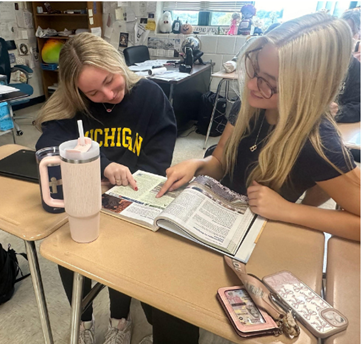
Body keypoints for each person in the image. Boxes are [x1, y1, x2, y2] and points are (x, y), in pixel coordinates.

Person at [145, 12, 361, 344]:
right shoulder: (250, 104)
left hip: (259, 244)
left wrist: (286, 210)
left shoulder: (317, 143)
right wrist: (199, 164)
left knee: (183, 298)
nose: (250, 85)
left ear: (305, 87)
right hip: (220, 223)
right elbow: (221, 162)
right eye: (253, 69)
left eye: (267, 81)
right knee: (161, 286)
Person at [34, 33, 177, 344]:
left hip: (130, 201)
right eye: (93, 92)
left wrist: (113, 179)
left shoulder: (150, 96)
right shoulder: (76, 104)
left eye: (111, 81)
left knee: (120, 263)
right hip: (86, 201)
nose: (109, 94)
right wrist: (103, 164)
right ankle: (82, 323)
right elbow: (47, 143)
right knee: (70, 253)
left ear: (117, 63)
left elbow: (158, 161)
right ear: (79, 92)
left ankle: (120, 320)